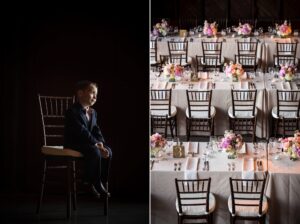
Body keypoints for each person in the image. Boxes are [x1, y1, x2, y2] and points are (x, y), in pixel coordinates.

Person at [64, 80, 112, 198]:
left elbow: (96, 130)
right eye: (92, 93)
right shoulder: (72, 111)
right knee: (94, 151)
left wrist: (101, 143)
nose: (95, 96)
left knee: (108, 151)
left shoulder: (93, 112)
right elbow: (82, 132)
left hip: (89, 144)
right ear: (80, 93)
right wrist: (96, 145)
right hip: (74, 143)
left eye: (96, 94)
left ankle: (100, 181)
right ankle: (89, 182)